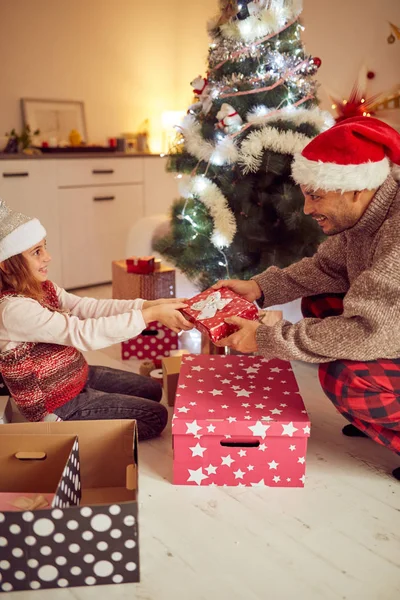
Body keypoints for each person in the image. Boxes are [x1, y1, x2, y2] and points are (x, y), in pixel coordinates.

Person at [213, 116, 400, 481]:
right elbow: (327, 269)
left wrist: (267, 338)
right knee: (320, 300)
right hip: (389, 322)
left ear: (355, 189)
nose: (308, 209)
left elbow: (367, 331)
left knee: (346, 376)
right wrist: (259, 289)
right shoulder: (366, 215)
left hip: (383, 327)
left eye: (316, 196)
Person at [0, 201, 192, 440]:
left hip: (76, 375)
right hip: (56, 403)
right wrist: (150, 316)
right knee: (155, 417)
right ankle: (63, 430)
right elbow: (83, 333)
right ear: (7, 265)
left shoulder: (40, 288)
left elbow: (87, 307)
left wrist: (149, 305)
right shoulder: (13, 309)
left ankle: (94, 407)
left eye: (44, 247)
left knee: (152, 389)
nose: (48, 257)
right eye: (36, 252)